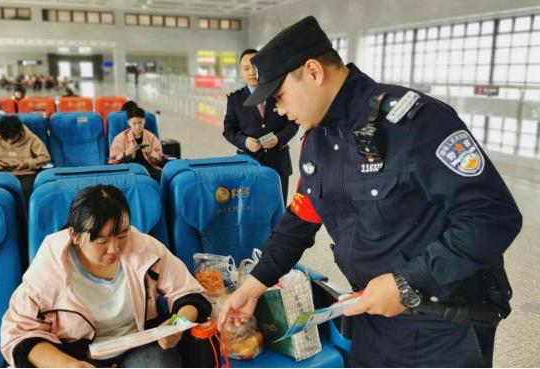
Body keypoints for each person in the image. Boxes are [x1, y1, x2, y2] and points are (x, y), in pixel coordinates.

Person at [218, 16, 522, 367]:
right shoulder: (317, 141)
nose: (279, 110)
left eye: (280, 96)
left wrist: (407, 284)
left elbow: (493, 217)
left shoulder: (416, 123)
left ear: (314, 72)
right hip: (372, 319)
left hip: (441, 324)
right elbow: (300, 221)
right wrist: (253, 287)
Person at [1, 184, 211, 367]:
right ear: (74, 235)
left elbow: (189, 293)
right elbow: (19, 334)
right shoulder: (50, 269)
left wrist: (178, 323)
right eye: (101, 241)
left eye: (122, 236)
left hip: (139, 344)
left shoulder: (145, 250)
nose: (114, 249)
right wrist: (68, 365)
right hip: (75, 354)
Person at [223, 49, 299, 205]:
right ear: (241, 71)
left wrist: (278, 138)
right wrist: (245, 142)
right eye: (246, 68)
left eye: (256, 67)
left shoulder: (280, 93)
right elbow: (228, 130)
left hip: (278, 162)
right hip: (248, 162)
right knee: (250, 207)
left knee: (278, 207)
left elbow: (293, 123)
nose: (252, 72)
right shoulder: (235, 99)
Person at [0, 115, 50, 203]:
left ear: (19, 132)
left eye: (12, 137)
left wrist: (26, 164)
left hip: (26, 174)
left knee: (25, 196)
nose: (9, 141)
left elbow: (45, 158)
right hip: (1, 173)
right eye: (6, 138)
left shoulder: (32, 139)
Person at [110, 107, 163, 180]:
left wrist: (151, 152)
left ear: (144, 121)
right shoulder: (120, 138)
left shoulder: (151, 137)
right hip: (128, 169)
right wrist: (126, 154)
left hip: (149, 170)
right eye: (134, 123)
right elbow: (113, 161)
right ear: (129, 122)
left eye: (140, 123)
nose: (138, 126)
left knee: (161, 177)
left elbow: (160, 159)